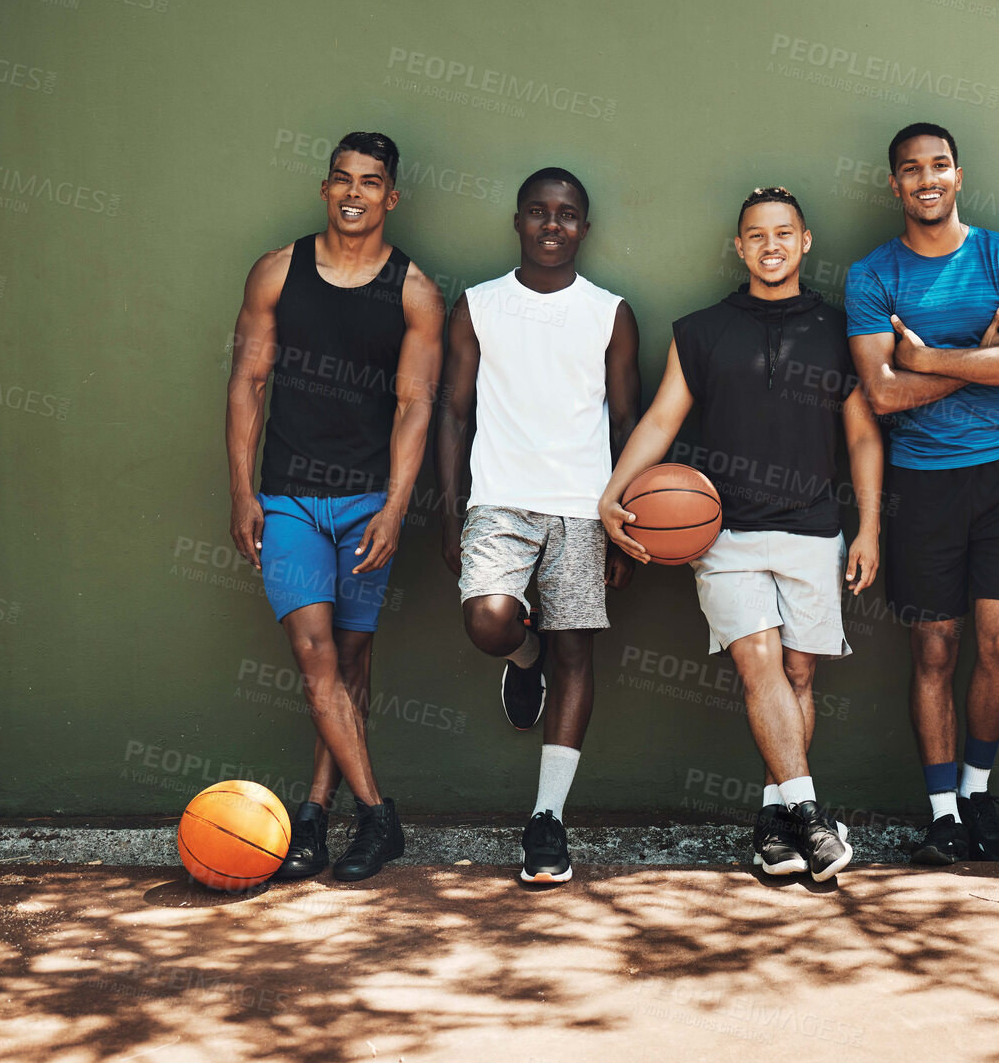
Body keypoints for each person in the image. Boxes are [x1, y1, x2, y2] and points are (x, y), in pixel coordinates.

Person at [599, 187, 882, 882]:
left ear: (805, 240)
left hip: (814, 529)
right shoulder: (700, 332)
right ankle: (812, 819)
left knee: (798, 674)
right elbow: (662, 421)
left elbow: (863, 438)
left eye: (783, 233)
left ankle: (772, 822)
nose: (770, 245)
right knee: (759, 664)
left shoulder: (840, 329)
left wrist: (869, 525)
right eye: (755, 235)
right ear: (739, 246)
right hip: (723, 533)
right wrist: (613, 490)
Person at [226, 131, 445, 882]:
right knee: (315, 655)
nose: (355, 192)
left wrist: (395, 508)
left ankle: (316, 815)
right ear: (325, 189)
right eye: (342, 179)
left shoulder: (414, 291)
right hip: (287, 499)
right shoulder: (276, 272)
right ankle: (379, 816)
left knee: (351, 661)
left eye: (371, 181)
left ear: (391, 196)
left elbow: (415, 406)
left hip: (365, 503)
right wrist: (242, 492)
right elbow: (248, 384)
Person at [845, 123, 999, 865]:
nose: (925, 179)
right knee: (934, 648)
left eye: (938, 166)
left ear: (958, 176)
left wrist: (927, 357)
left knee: (998, 645)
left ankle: (976, 794)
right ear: (893, 186)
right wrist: (978, 358)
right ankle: (941, 815)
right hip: (921, 488)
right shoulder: (871, 276)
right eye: (909, 170)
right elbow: (882, 395)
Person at [436, 167, 639, 885]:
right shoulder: (479, 305)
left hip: (585, 509)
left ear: (585, 228)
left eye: (567, 214)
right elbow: (454, 413)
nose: (552, 225)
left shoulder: (609, 312)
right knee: (489, 621)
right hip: (498, 502)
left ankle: (547, 821)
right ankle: (524, 663)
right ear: (518, 221)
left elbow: (625, 424)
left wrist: (623, 517)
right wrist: (449, 505)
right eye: (537, 212)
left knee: (578, 659)